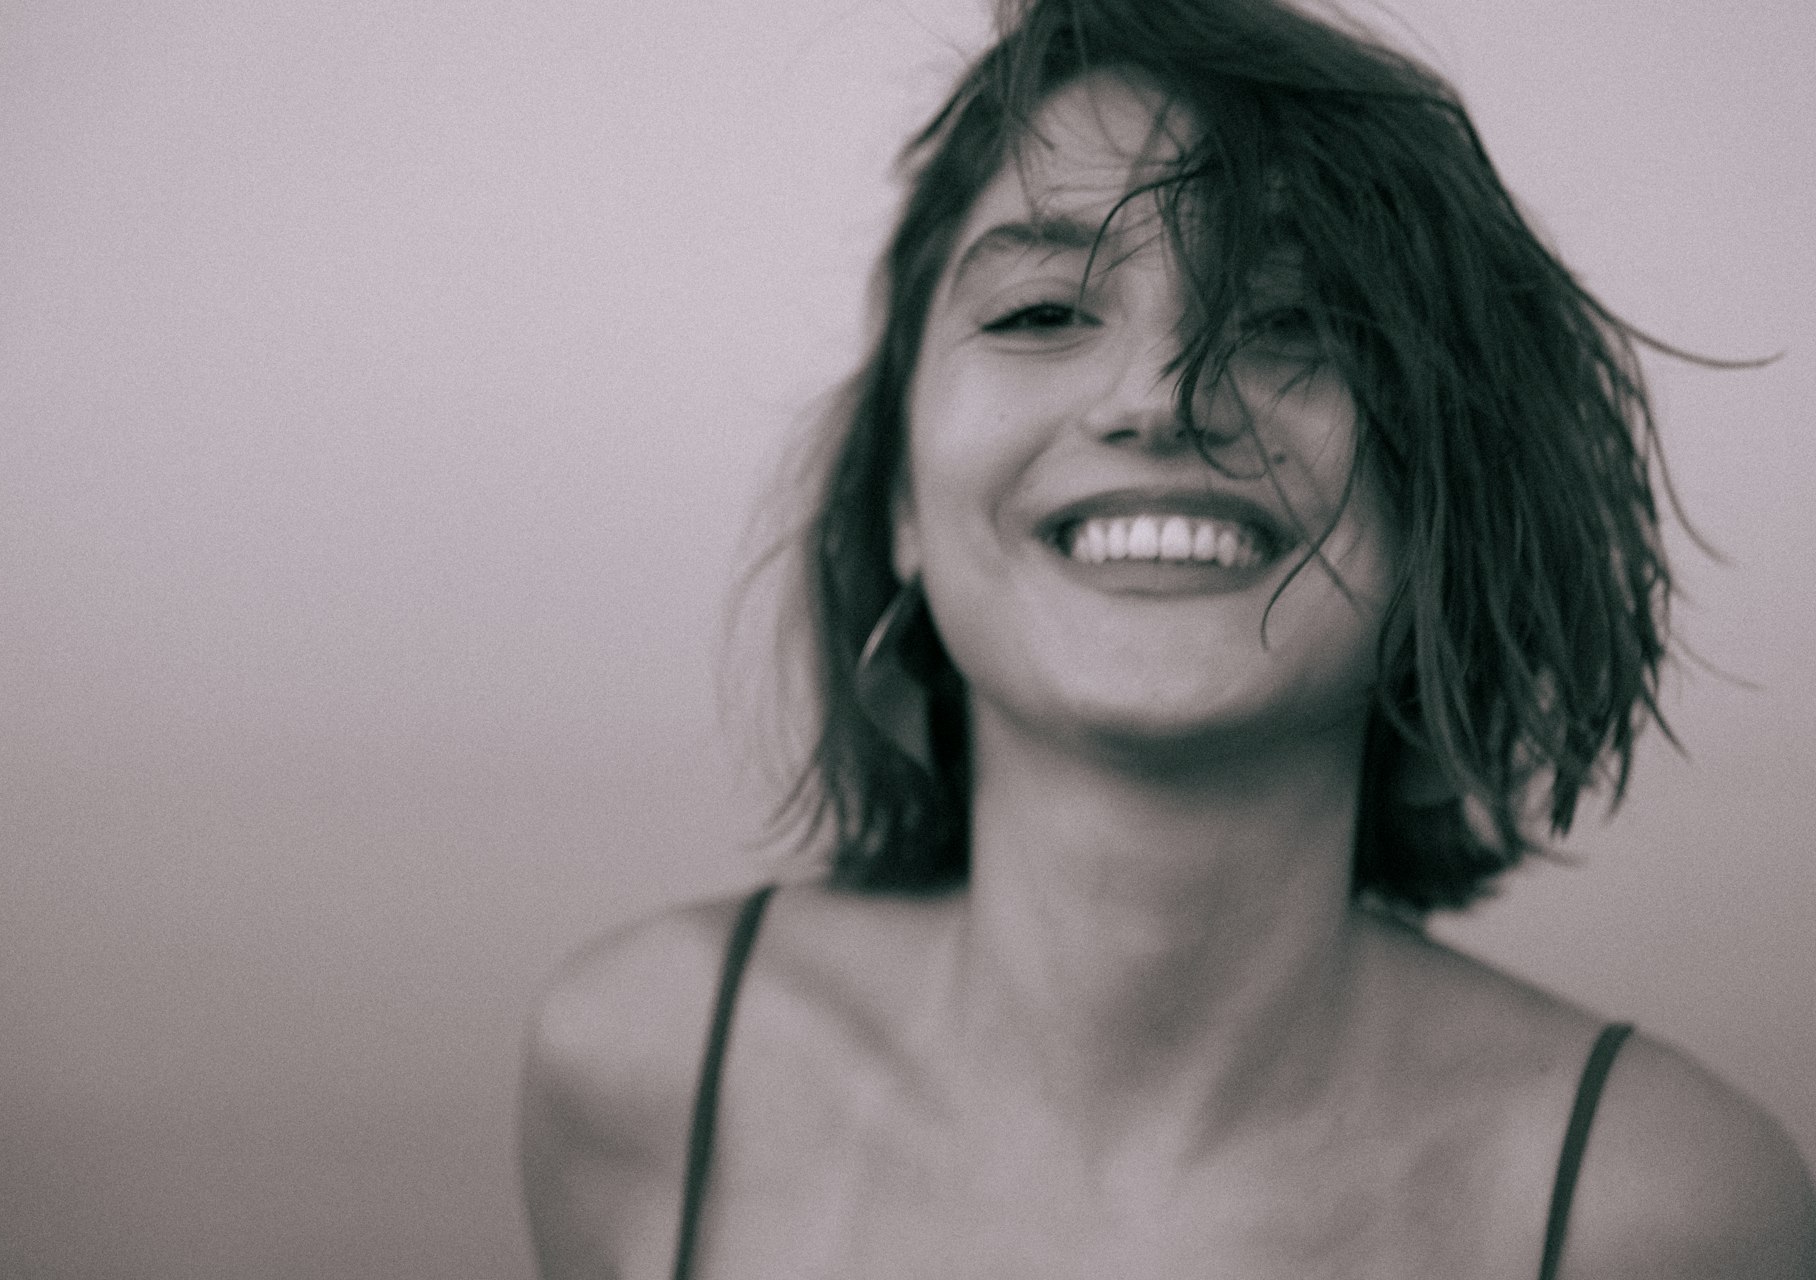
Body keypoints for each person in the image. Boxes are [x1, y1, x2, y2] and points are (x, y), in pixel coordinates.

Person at [519, 0, 1816, 1275]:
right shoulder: (650, 1069)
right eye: (1040, 313)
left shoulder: (1656, 1212)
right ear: (901, 496)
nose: (1157, 397)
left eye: (1295, 321)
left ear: (1443, 514)